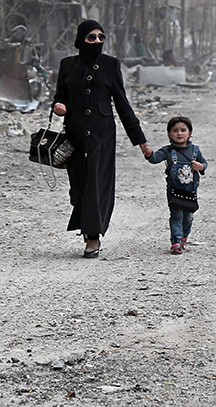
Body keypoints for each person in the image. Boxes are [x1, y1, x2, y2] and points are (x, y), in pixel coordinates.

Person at [53, 20, 153, 258]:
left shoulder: (110, 65)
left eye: (101, 37)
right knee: (78, 189)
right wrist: (58, 105)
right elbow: (60, 96)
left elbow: (122, 103)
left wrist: (141, 141)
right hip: (74, 135)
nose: (97, 41)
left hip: (102, 135)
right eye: (91, 38)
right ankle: (87, 226)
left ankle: (93, 237)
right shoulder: (67, 65)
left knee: (96, 186)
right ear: (81, 40)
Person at [143, 116, 208, 255]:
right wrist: (148, 153)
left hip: (190, 192)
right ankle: (176, 242)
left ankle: (184, 236)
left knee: (188, 217)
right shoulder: (167, 151)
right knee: (176, 215)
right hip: (174, 192)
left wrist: (200, 166)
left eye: (183, 130)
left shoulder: (195, 151)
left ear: (190, 133)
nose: (179, 133)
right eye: (175, 130)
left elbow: (204, 164)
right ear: (169, 134)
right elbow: (155, 159)